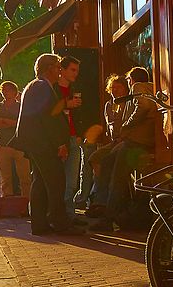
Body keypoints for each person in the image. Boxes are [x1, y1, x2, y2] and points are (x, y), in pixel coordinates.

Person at [17, 53, 82, 235]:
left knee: (40, 182)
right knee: (56, 181)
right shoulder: (42, 87)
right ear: (49, 68)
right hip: (42, 142)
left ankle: (39, 224)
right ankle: (60, 223)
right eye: (58, 67)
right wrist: (60, 144)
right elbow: (48, 118)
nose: (60, 70)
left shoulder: (37, 86)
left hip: (36, 141)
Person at [91, 67, 158, 232]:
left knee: (117, 180)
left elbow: (144, 106)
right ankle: (111, 210)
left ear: (131, 80)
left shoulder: (138, 87)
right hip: (141, 142)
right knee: (107, 164)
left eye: (128, 81)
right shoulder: (152, 87)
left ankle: (108, 217)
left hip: (135, 142)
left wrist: (127, 124)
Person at [84, 74, 130, 217]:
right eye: (113, 87)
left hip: (126, 141)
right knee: (94, 158)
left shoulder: (130, 103)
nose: (115, 90)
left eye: (119, 87)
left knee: (107, 160)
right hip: (113, 141)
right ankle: (100, 194)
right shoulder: (109, 105)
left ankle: (102, 200)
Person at [55, 55, 84, 223]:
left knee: (72, 180)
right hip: (60, 139)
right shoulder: (53, 89)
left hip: (73, 137)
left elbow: (80, 113)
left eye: (77, 70)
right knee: (58, 178)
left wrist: (80, 134)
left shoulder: (76, 89)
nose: (75, 73)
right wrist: (66, 105)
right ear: (62, 70)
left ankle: (69, 213)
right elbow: (49, 112)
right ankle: (59, 213)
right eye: (72, 70)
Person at [0, 80, 31, 198]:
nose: (5, 92)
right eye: (3, 90)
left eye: (8, 90)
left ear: (15, 92)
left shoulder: (21, 106)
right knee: (5, 178)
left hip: (19, 145)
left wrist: (4, 121)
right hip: (3, 145)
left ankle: (27, 201)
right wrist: (12, 123)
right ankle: (7, 201)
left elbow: (24, 124)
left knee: (25, 177)